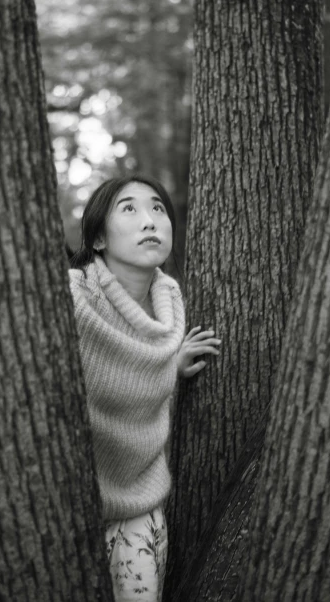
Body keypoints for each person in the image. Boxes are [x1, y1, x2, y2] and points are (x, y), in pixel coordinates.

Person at [69, 173, 221, 602]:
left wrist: (170, 367)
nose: (150, 220)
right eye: (129, 209)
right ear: (98, 238)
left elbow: (134, 377)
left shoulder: (170, 305)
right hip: (68, 503)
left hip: (139, 501)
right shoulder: (73, 298)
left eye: (158, 208)